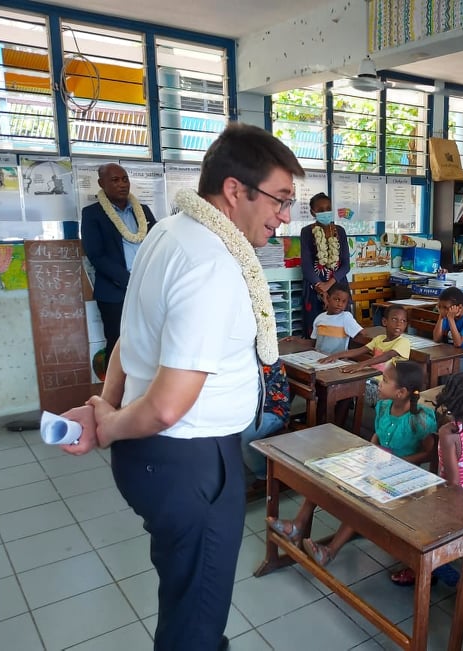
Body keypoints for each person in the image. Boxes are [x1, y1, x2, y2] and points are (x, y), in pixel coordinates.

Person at [60, 123, 304, 651]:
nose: (286, 216)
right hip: (190, 463)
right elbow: (168, 407)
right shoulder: (211, 262)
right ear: (236, 190)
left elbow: (128, 338)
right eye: (281, 199)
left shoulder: (167, 233)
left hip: (157, 458)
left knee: (183, 597)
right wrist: (108, 425)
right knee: (196, 624)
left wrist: (105, 403)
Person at [266, 360, 436, 566]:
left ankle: (329, 551)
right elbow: (378, 434)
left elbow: (428, 453)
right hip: (377, 464)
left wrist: (397, 462)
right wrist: (370, 449)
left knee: (363, 499)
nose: (379, 384)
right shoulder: (383, 406)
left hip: (402, 477)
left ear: (401, 392)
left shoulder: (420, 419)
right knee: (325, 474)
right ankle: (297, 525)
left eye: (385, 380)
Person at [390, 371, 463, 587]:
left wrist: (431, 503)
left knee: (414, 535)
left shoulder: (448, 434)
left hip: (457, 506)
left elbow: (453, 484)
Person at [81, 163, 158, 359]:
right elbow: (96, 255)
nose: (122, 184)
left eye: (125, 179)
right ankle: (116, 390)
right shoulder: (92, 214)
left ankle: (146, 389)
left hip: (149, 288)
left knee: (151, 341)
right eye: (115, 180)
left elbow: (159, 244)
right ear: (101, 183)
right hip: (115, 292)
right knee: (118, 345)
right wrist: (129, 280)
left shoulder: (144, 211)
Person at [322, 304, 411, 406]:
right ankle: (337, 420)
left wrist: (361, 364)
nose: (399, 324)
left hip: (387, 386)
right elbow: (360, 350)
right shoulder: (379, 339)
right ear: (384, 322)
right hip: (370, 379)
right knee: (342, 387)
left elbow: (387, 356)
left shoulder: (404, 342)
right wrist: (336, 355)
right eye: (395, 319)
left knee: (346, 389)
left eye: (403, 321)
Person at [300, 193, 351, 337]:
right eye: (321, 210)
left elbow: (346, 264)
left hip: (338, 287)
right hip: (315, 289)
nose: (325, 212)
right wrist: (321, 288)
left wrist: (329, 284)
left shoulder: (340, 231)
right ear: (312, 212)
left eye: (328, 208)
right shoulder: (306, 232)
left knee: (340, 330)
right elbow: (307, 265)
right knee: (316, 330)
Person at [241, 359, 291, 501]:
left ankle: (263, 476)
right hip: (249, 410)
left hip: (273, 411)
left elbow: (260, 398)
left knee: (246, 438)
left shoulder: (269, 360)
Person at [311, 282, 363, 356]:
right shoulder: (320, 318)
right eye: (337, 299)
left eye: (344, 301)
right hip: (319, 358)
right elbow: (313, 342)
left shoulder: (346, 317)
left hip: (337, 360)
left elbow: (362, 333)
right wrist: (296, 340)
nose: (340, 304)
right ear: (328, 298)